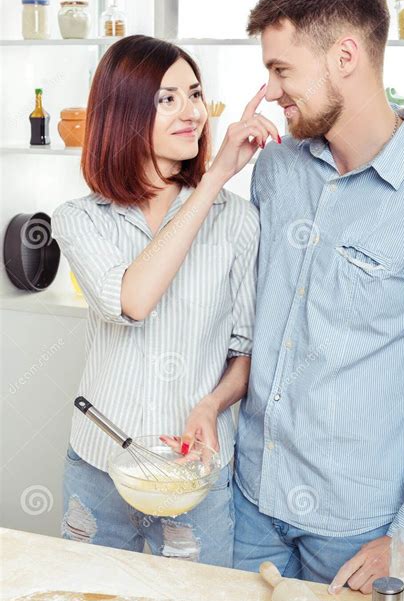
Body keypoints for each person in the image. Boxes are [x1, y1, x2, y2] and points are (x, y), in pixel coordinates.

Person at [233, 0, 404, 592]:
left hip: (354, 531)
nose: (274, 91)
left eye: (282, 70)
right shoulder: (275, 171)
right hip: (247, 500)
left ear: (345, 56)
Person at [52, 34, 281, 565]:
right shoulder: (81, 219)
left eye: (196, 95)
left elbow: (244, 353)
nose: (192, 113)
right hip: (100, 472)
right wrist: (215, 177)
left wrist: (212, 403)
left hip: (194, 478)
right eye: (167, 98)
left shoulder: (236, 221)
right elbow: (132, 301)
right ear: (123, 113)